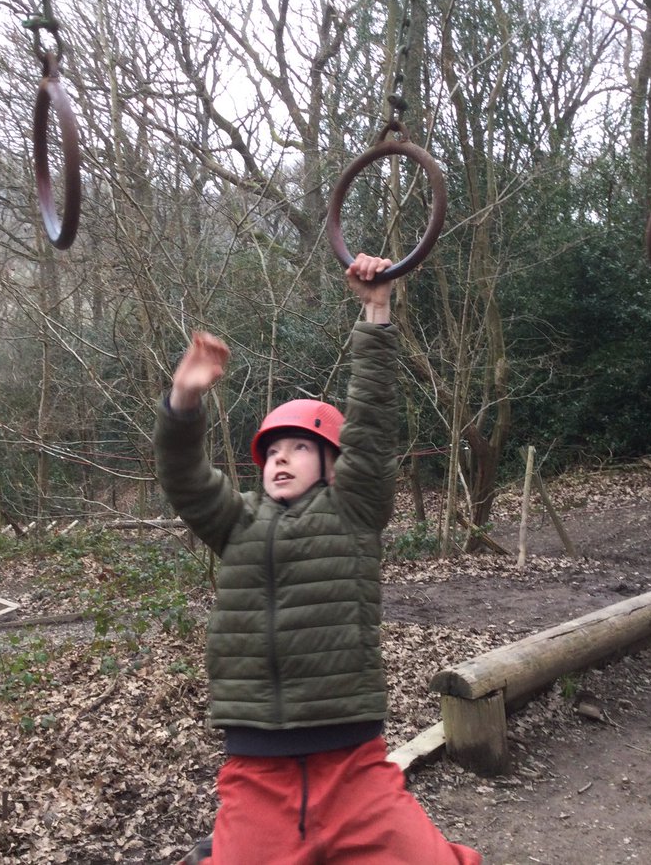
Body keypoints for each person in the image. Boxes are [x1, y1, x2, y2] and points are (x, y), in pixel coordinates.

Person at [155, 253, 481, 865]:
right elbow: (183, 477)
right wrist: (183, 400)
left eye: (299, 448)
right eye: (272, 450)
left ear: (332, 461)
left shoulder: (353, 511)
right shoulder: (237, 523)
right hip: (257, 770)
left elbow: (372, 426)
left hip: (352, 766)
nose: (280, 457)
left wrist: (376, 310)